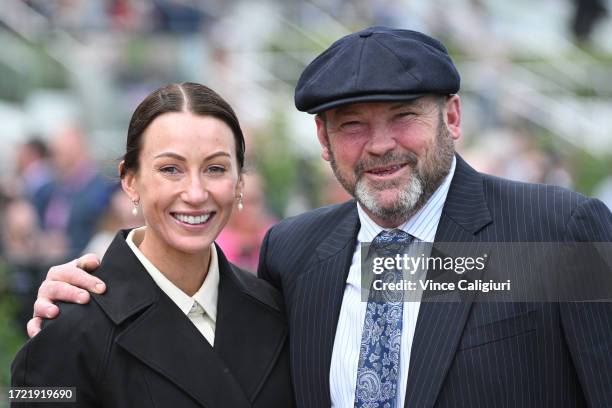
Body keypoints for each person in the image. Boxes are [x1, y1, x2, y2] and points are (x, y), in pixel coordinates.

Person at [28, 27, 612, 407]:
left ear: (453, 117)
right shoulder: (299, 256)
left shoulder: (554, 232)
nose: (380, 145)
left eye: (403, 116)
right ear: (324, 140)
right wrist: (74, 308)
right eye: (353, 124)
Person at [12, 82, 294, 408]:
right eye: (170, 169)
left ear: (239, 183)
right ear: (130, 181)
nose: (195, 193)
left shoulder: (274, 311)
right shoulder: (68, 326)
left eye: (215, 169)